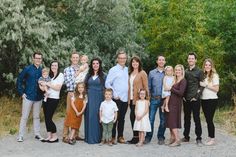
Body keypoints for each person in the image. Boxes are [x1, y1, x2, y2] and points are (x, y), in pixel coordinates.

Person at [16, 52, 44, 142]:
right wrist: (21, 93)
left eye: (40, 58)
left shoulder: (42, 71)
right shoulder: (27, 69)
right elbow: (19, 80)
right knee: (24, 116)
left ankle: (37, 134)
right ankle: (20, 135)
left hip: (38, 97)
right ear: (33, 58)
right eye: (37, 58)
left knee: (36, 117)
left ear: (41, 60)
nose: (38, 60)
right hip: (28, 96)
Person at [105, 49, 129, 144]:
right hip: (116, 98)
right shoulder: (113, 70)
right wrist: (114, 94)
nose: (122, 60)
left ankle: (120, 136)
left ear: (126, 59)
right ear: (117, 59)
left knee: (122, 118)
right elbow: (107, 83)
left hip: (125, 98)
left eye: (124, 58)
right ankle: (112, 137)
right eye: (120, 58)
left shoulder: (127, 69)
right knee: (114, 118)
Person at [182, 52, 204, 145]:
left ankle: (198, 138)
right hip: (186, 99)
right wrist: (183, 96)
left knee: (196, 118)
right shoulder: (185, 71)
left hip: (195, 99)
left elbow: (202, 86)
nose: (190, 60)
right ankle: (186, 137)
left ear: (195, 60)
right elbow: (182, 84)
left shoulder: (199, 71)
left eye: (192, 58)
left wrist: (196, 97)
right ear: (187, 60)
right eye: (189, 58)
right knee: (186, 118)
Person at [40, 61, 64, 143]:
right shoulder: (48, 75)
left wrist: (47, 84)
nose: (54, 66)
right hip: (46, 98)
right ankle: (49, 135)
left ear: (58, 67)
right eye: (52, 65)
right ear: (50, 66)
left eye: (55, 65)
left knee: (49, 118)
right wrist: (42, 84)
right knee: (46, 118)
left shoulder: (60, 75)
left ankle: (55, 136)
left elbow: (58, 88)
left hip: (54, 98)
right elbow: (43, 87)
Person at [144, 55, 166, 145]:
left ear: (165, 62)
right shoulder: (152, 73)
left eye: (163, 60)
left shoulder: (168, 72)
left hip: (164, 100)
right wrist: (148, 99)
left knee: (163, 120)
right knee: (150, 119)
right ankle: (148, 137)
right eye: (159, 60)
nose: (161, 61)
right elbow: (148, 87)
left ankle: (161, 137)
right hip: (153, 99)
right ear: (157, 61)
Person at [127, 56, 149, 144]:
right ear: (131, 64)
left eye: (136, 62)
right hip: (131, 99)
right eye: (133, 62)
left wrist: (147, 100)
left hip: (140, 100)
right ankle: (136, 137)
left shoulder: (142, 73)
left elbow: (146, 86)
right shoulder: (130, 73)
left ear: (139, 63)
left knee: (137, 117)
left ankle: (139, 138)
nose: (135, 63)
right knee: (132, 117)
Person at [84, 58, 106, 144]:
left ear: (100, 65)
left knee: (97, 117)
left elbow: (106, 88)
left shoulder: (104, 75)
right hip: (89, 98)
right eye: (93, 63)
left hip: (99, 98)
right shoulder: (88, 75)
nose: (95, 65)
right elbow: (84, 86)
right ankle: (89, 137)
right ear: (91, 65)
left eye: (97, 63)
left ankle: (98, 138)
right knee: (89, 116)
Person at [63, 51, 83, 143]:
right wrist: (76, 74)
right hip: (71, 93)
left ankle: (76, 134)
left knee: (78, 114)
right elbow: (68, 82)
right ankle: (65, 135)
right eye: (73, 57)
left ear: (79, 59)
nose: (75, 59)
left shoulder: (81, 68)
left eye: (76, 57)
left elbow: (83, 82)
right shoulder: (67, 70)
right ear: (71, 59)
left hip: (80, 94)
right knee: (69, 113)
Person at [166, 64, 187, 147]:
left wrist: (171, 88)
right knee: (170, 120)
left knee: (173, 120)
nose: (178, 71)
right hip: (171, 101)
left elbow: (181, 93)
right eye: (176, 70)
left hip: (176, 103)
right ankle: (172, 138)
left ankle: (177, 139)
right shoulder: (174, 79)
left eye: (179, 70)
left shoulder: (183, 80)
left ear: (182, 71)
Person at [200, 58, 219, 146]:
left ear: (212, 66)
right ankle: (210, 137)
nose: (207, 66)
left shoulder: (214, 75)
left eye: (209, 65)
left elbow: (216, 89)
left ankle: (212, 139)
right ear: (204, 66)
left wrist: (206, 85)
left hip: (212, 99)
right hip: (204, 99)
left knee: (209, 119)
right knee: (207, 120)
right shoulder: (203, 75)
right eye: (206, 65)